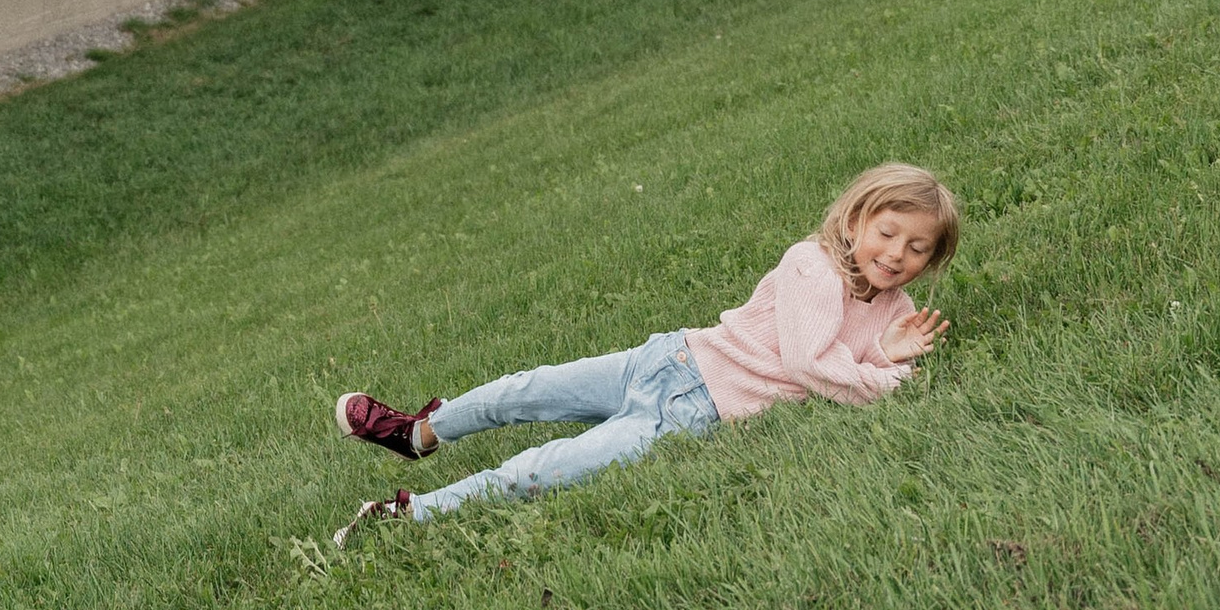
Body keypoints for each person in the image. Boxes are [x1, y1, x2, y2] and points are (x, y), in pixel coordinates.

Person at [333, 164, 957, 540]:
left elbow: (835, 367)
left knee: (545, 469)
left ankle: (404, 518)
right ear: (854, 222)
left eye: (918, 247)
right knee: (524, 390)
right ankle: (419, 434)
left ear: (932, 258)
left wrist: (883, 348)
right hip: (671, 360)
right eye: (887, 231)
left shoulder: (898, 312)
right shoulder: (812, 265)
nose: (898, 253)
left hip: (688, 413)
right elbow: (810, 364)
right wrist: (885, 375)